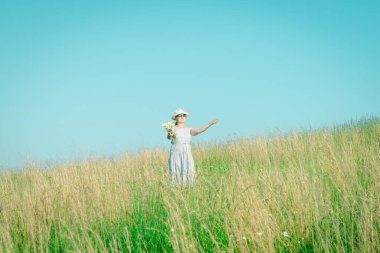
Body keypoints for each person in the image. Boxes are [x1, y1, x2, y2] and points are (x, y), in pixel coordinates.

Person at [167, 108, 218, 187]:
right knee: (176, 168)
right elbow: (169, 137)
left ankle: (188, 187)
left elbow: (198, 131)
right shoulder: (172, 128)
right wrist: (169, 134)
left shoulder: (189, 129)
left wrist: (210, 124)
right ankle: (176, 187)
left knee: (188, 167)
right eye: (179, 115)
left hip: (186, 151)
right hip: (176, 151)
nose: (182, 117)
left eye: (183, 115)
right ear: (176, 118)